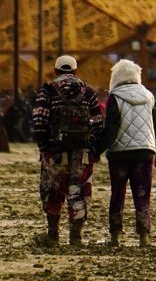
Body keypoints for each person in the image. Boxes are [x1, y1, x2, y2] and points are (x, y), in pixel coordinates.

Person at [30, 55, 104, 247]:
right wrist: (93, 148)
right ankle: (76, 237)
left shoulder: (48, 90)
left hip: (55, 152)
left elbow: (39, 120)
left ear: (55, 71)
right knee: (79, 191)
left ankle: (53, 235)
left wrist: (44, 148)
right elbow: (98, 123)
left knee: (53, 191)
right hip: (82, 152)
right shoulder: (87, 91)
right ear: (75, 71)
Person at [97, 59, 156, 247]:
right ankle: (144, 235)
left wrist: (96, 151)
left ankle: (115, 236)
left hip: (119, 153)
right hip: (145, 152)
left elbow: (110, 129)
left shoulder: (114, 97)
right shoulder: (149, 96)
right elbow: (155, 126)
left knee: (117, 192)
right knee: (143, 194)